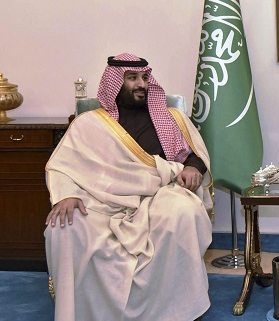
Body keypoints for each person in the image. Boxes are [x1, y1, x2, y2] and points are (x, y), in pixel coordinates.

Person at [44, 53, 214, 321]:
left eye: (145, 77)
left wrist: (193, 168)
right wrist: (67, 195)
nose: (141, 84)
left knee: (183, 211)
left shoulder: (170, 118)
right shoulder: (89, 124)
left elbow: (194, 153)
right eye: (132, 78)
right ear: (114, 83)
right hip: (103, 201)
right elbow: (62, 165)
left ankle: (175, 310)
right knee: (66, 225)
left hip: (159, 195)